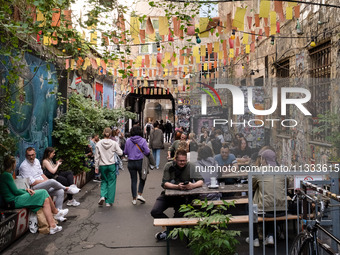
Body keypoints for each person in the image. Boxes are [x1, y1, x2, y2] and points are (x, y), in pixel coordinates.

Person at [1, 156, 68, 234]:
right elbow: (15, 192)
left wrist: (26, 190)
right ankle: (56, 213)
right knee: (43, 192)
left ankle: (52, 226)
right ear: (13, 164)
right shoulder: (7, 175)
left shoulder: (6, 174)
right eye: (15, 163)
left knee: (45, 199)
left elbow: (14, 190)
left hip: (15, 199)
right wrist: (28, 192)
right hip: (13, 201)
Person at [151, 149, 204, 240]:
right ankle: (173, 229)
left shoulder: (191, 166)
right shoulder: (169, 166)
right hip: (168, 195)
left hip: (184, 197)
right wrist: (177, 186)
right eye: (180, 161)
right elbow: (165, 184)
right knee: (155, 211)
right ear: (175, 159)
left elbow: (201, 181)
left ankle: (171, 231)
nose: (183, 163)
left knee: (180, 214)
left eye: (184, 161)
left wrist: (192, 185)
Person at [246, 148, 286, 247]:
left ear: (264, 160)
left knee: (253, 204)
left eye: (261, 159)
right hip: (282, 209)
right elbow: (287, 183)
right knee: (271, 199)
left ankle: (254, 237)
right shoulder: (282, 170)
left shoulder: (259, 171)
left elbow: (251, 186)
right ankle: (270, 235)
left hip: (264, 210)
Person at [95, 127, 123, 207]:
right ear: (110, 134)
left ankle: (103, 196)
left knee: (104, 181)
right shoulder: (114, 143)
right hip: (111, 165)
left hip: (102, 165)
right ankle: (108, 202)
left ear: (103, 133)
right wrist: (114, 151)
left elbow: (96, 157)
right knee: (111, 182)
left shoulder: (99, 143)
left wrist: (96, 167)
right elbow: (120, 153)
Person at [124, 125, 150, 205]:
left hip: (131, 162)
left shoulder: (128, 140)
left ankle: (134, 199)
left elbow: (125, 152)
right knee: (143, 177)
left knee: (133, 180)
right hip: (140, 162)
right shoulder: (142, 140)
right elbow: (147, 152)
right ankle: (139, 194)